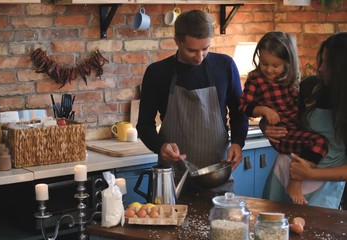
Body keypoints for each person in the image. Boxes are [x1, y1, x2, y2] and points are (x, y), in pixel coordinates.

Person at [136, 10, 248, 191]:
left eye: (206, 48)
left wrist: (237, 142)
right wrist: (160, 146)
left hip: (216, 177)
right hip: (171, 181)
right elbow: (144, 125)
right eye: (192, 50)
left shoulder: (224, 66)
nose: (200, 57)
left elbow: (239, 111)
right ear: (177, 41)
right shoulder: (157, 73)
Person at [239, 31, 328, 205]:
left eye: (275, 65)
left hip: (296, 132)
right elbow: (243, 106)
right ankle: (296, 182)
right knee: (319, 142)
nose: (269, 69)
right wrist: (264, 111)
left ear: (287, 63)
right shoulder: (256, 79)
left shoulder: (291, 79)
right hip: (284, 134)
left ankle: (296, 179)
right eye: (264, 63)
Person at [262, 32, 347, 209]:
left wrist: (307, 174)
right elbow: (285, 116)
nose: (321, 68)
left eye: (328, 63)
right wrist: (266, 126)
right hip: (286, 171)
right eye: (321, 60)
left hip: (325, 183)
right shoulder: (311, 87)